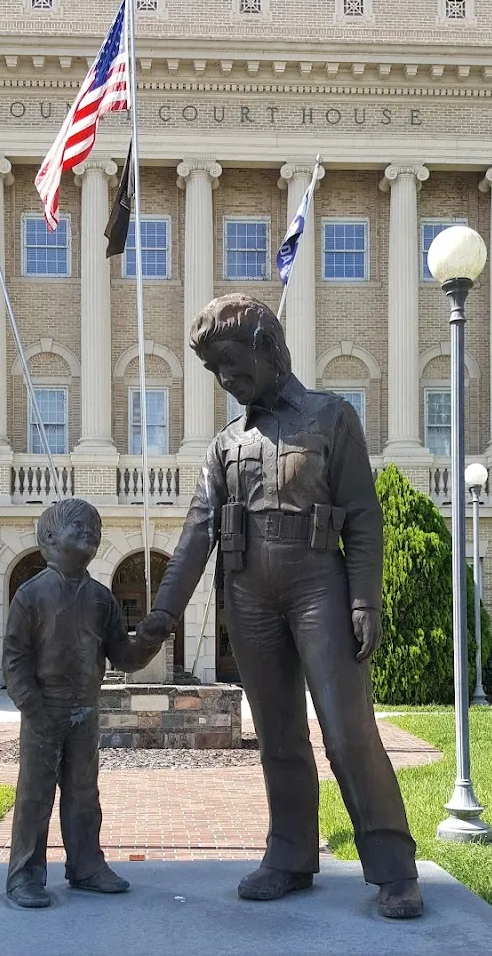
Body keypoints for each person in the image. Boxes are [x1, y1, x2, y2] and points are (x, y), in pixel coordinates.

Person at [148, 293, 422, 918]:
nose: (226, 380)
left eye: (234, 366)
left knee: (347, 730)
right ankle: (291, 855)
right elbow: (197, 530)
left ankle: (392, 867)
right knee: (277, 734)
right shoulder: (224, 444)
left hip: (318, 583)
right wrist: (165, 614)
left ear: (269, 349)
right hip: (248, 592)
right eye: (216, 371)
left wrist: (364, 599)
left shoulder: (331, 417)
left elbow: (363, 517)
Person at [3, 497, 167, 908]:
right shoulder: (32, 594)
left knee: (83, 792)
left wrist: (149, 638)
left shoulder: (100, 598)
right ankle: (24, 874)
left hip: (86, 709)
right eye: (79, 527)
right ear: (50, 537)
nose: (90, 533)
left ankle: (87, 866)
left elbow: (124, 657)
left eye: (95, 528)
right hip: (45, 708)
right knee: (35, 795)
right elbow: (15, 659)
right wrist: (32, 708)